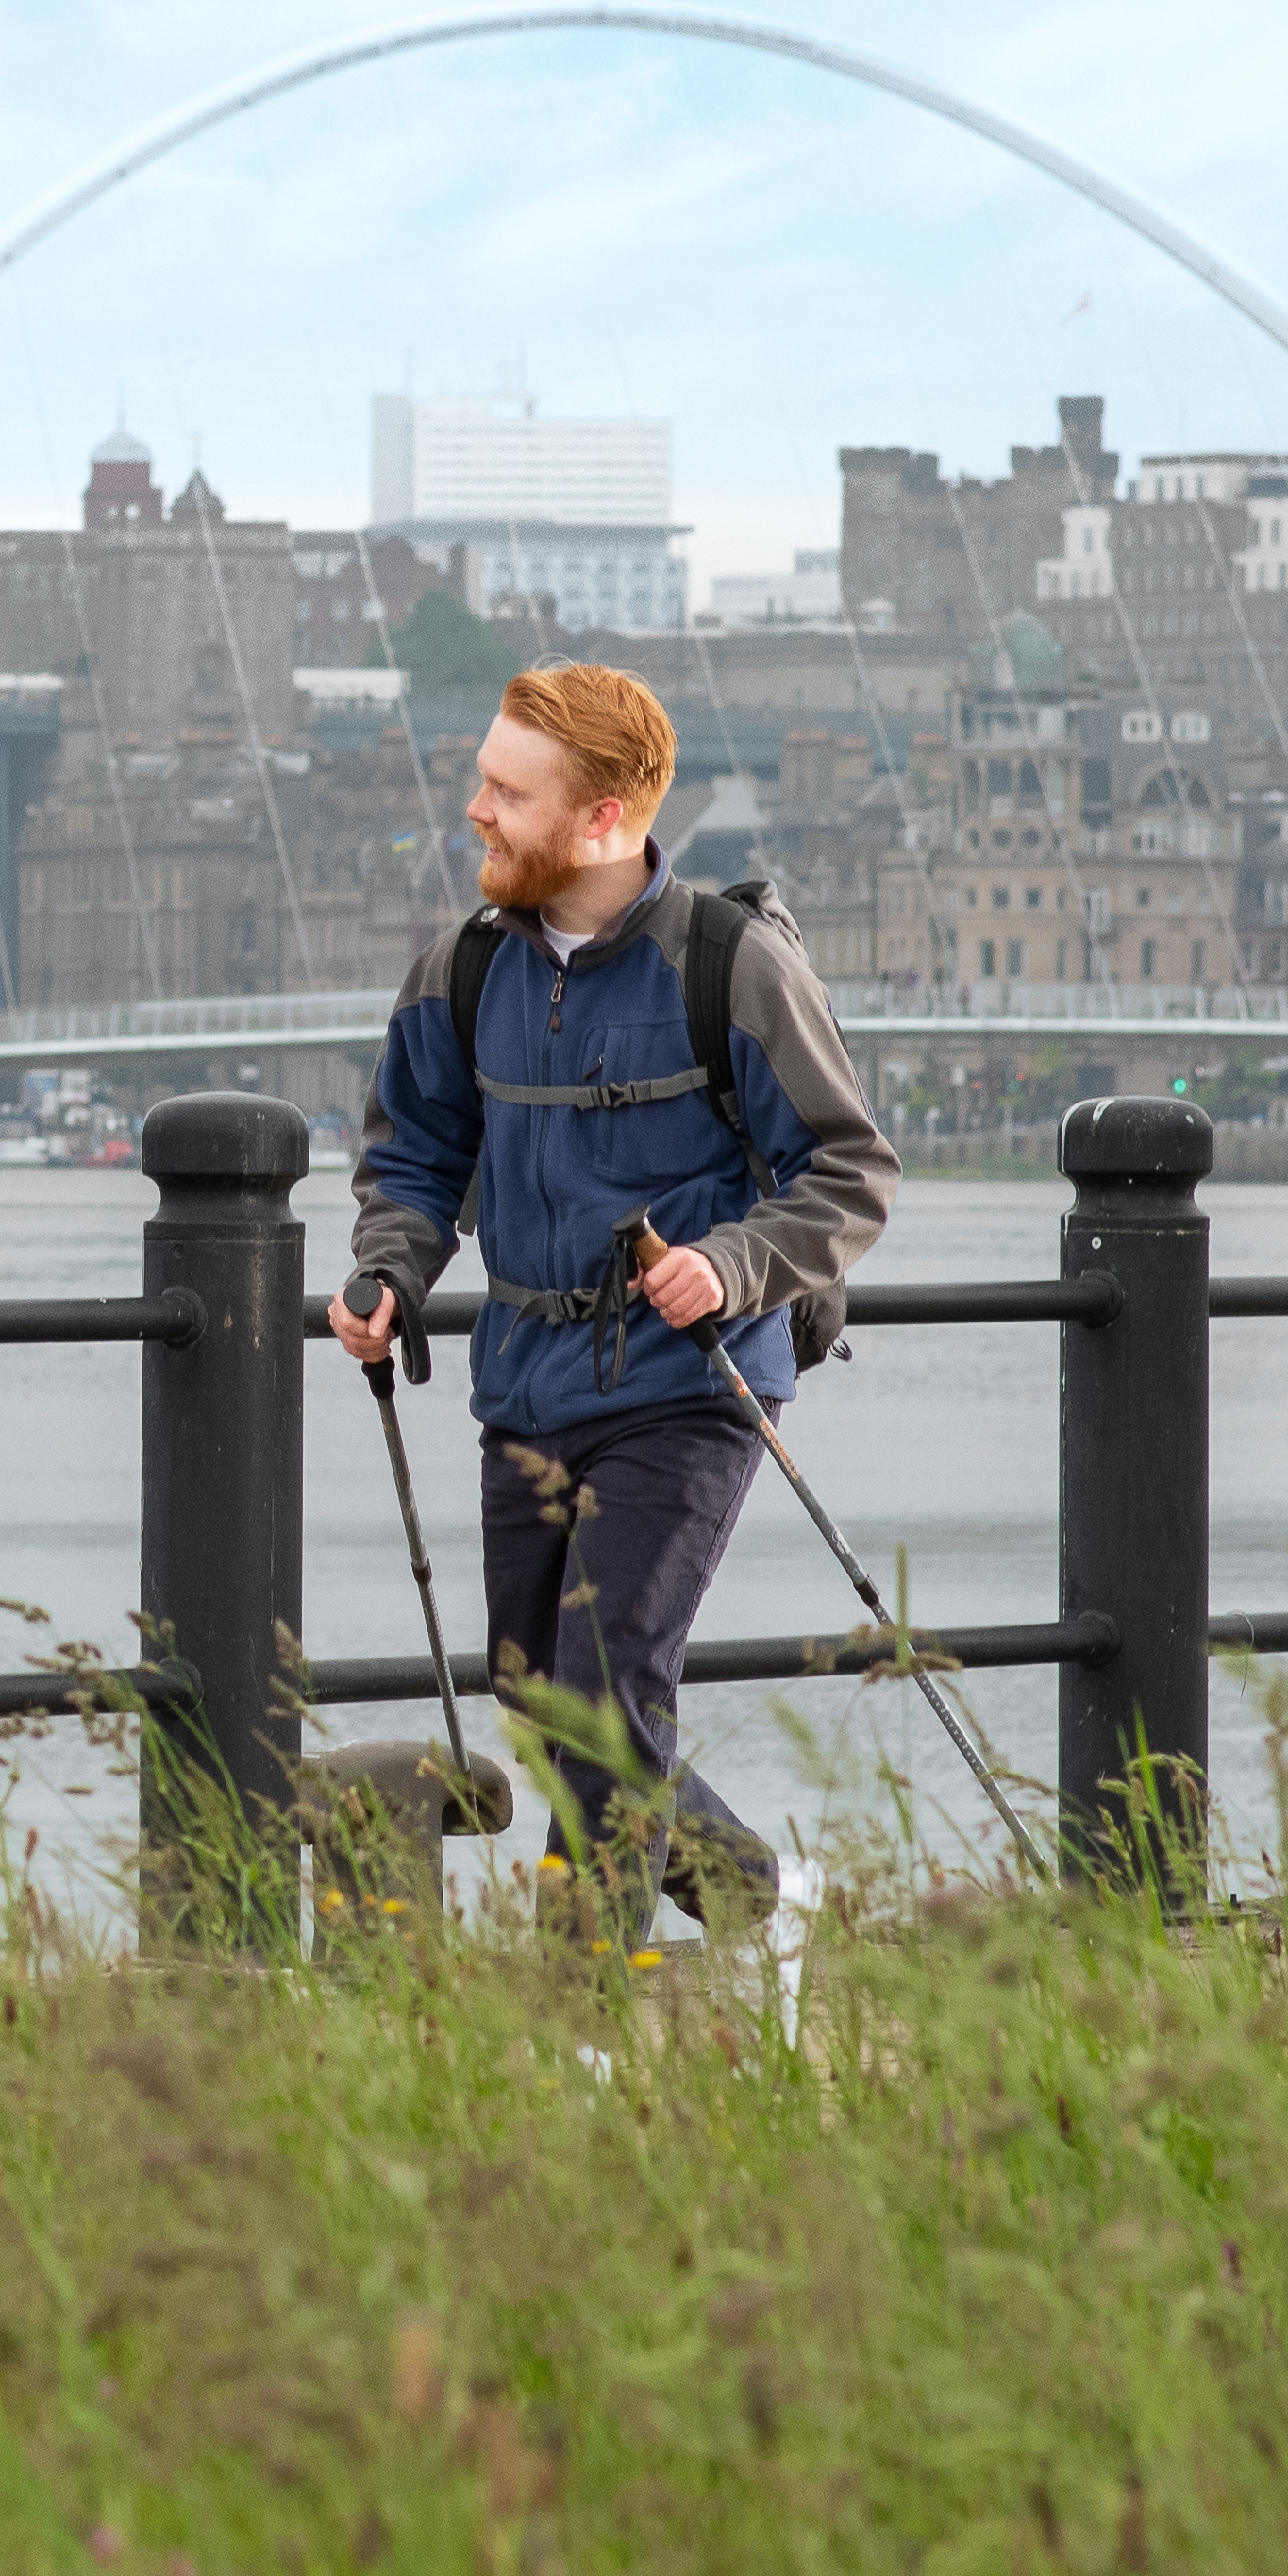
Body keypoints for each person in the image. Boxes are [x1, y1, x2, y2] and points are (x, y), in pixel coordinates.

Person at [331, 662, 895, 1940]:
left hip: (690, 1383)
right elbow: (415, 1162)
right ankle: (755, 1895)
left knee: (598, 1693)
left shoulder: (732, 967)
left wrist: (734, 1264)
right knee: (536, 1697)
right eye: (479, 778)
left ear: (603, 819)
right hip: (523, 1381)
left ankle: (585, 2006)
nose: (472, 811)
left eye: (502, 791)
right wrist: (388, 1271)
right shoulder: (456, 975)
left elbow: (849, 1169)